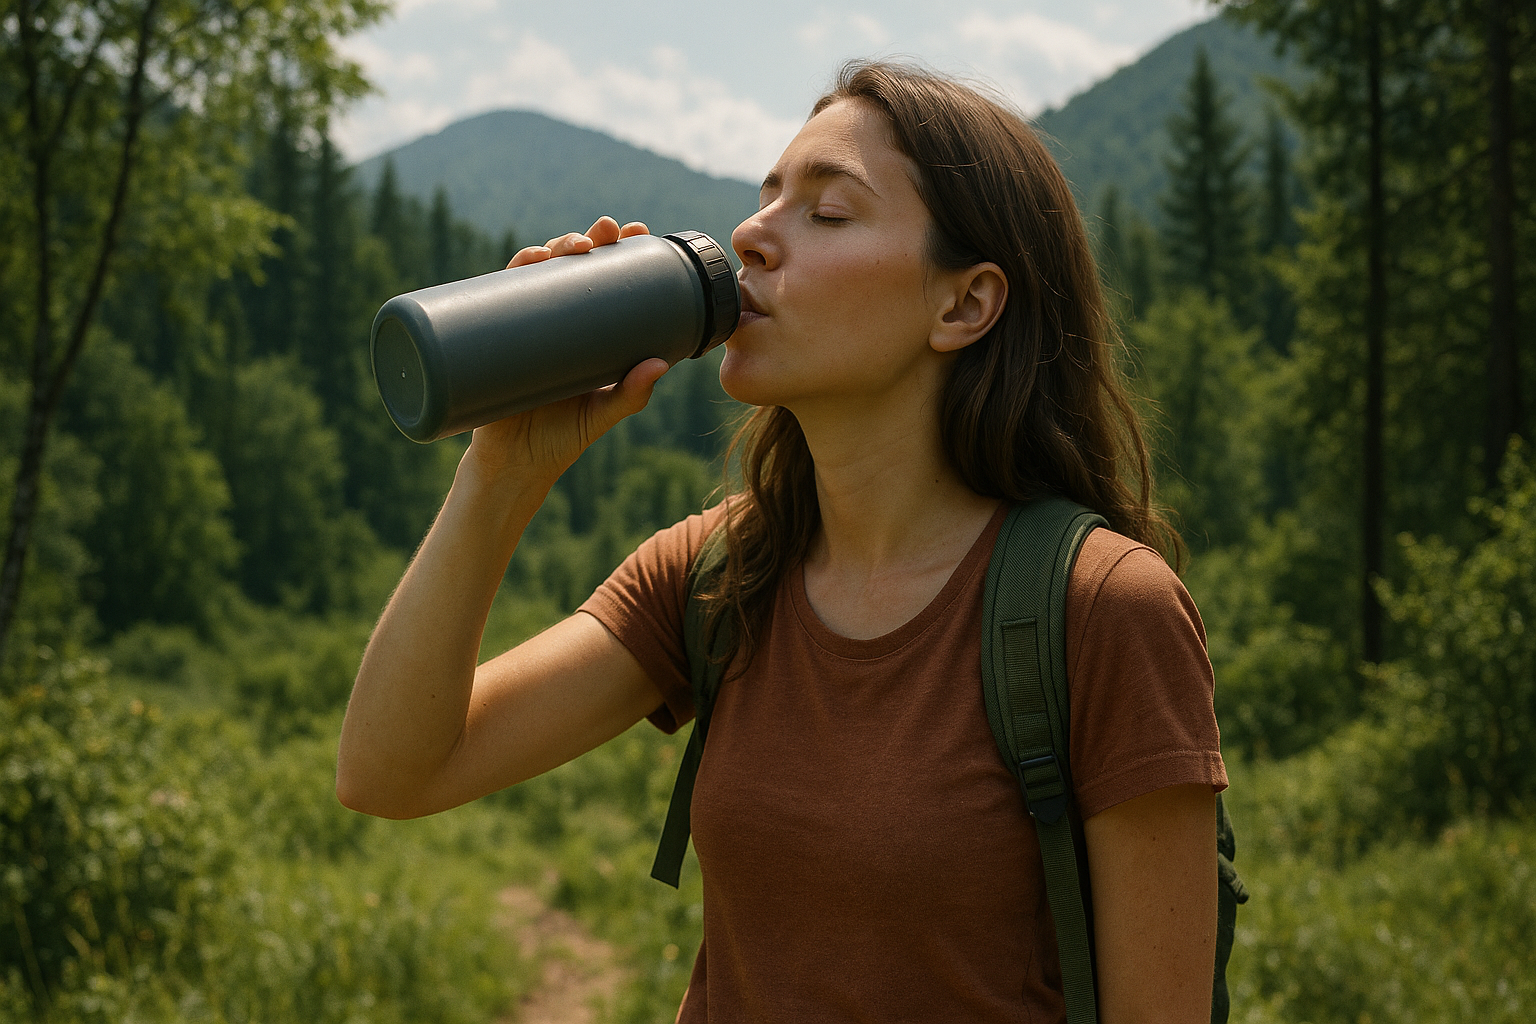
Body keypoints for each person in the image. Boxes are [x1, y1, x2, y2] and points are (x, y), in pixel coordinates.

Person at [338, 60, 1227, 1024]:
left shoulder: (1100, 611)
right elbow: (393, 769)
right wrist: (502, 475)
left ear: (964, 304)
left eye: (828, 213)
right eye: (765, 201)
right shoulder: (719, 573)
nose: (753, 235)